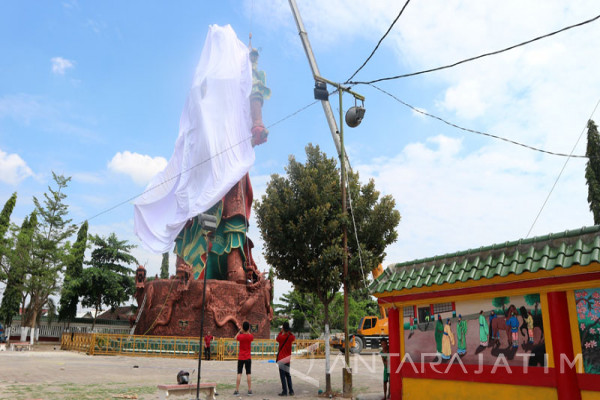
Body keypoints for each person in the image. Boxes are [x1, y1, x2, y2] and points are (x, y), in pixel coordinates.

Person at [276, 321, 295, 396]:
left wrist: (281, 332)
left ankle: (284, 391)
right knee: (288, 375)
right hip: (287, 359)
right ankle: (291, 391)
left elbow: (277, 338)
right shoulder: (290, 337)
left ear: (283, 328)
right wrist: (288, 332)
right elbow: (293, 337)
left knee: (282, 376)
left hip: (281, 359)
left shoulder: (281, 337)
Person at [234, 321, 254, 395]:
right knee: (248, 373)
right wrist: (247, 331)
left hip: (241, 357)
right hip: (248, 357)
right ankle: (249, 390)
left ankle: (237, 390)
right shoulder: (250, 336)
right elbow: (251, 336)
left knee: (239, 373)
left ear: (242, 327)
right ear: (248, 328)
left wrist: (240, 331)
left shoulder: (240, 336)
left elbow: (235, 338)